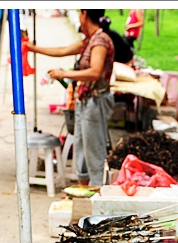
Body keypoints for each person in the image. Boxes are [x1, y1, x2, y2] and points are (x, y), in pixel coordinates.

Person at [28, 9, 115, 187]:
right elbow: (63, 50)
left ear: (84, 14)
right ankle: (84, 187)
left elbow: (95, 72)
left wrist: (64, 73)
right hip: (85, 101)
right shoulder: (89, 40)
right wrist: (33, 48)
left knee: (94, 150)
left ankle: (97, 190)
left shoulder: (100, 41)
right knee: (81, 146)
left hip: (96, 101)